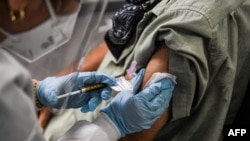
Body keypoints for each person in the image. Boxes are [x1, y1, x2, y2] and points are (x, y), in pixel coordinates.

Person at [42, 0, 250, 140]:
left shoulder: (188, 24)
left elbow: (138, 133)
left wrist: (111, 125)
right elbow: (123, 34)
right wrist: (49, 90)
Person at [0, 0, 176, 141]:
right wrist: (111, 126)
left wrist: (36, 92)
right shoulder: (6, 89)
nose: (73, 11)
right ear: (19, 3)